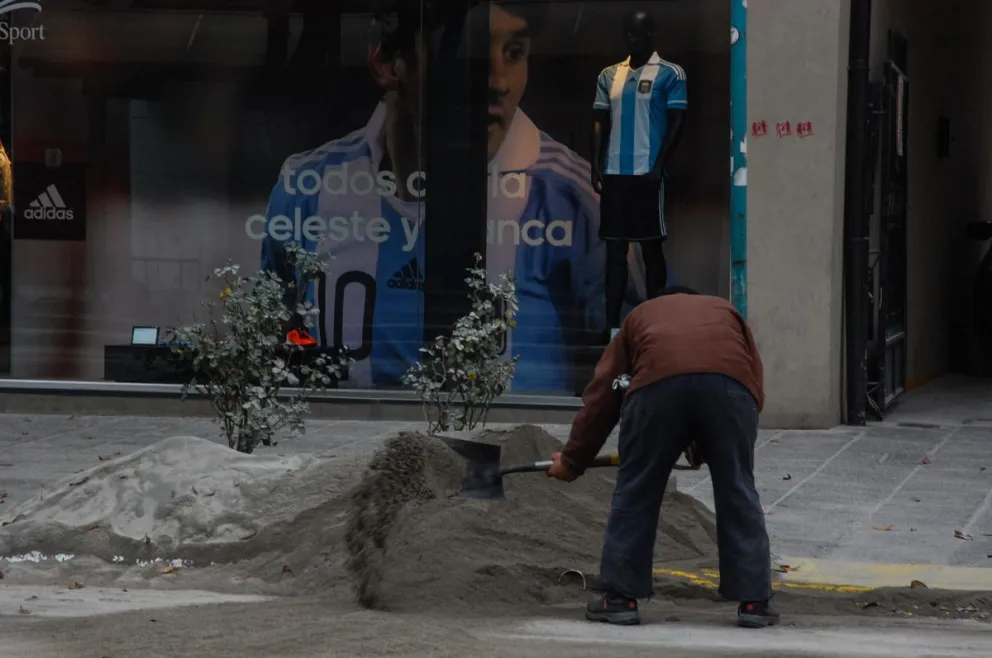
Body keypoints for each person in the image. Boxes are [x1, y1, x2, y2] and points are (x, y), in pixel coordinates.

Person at [258, 1, 657, 392]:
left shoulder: (576, 198)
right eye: (466, 51)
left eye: (514, 53)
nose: (497, 82)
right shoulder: (308, 186)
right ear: (387, 63)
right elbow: (270, 355)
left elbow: (640, 363)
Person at [546, 286, 779, 629]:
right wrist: (717, 440)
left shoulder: (639, 317)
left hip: (657, 387)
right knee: (737, 487)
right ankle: (755, 601)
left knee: (638, 488)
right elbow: (752, 380)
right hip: (732, 391)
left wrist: (572, 460)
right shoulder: (726, 312)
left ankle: (620, 599)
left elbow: (604, 393)